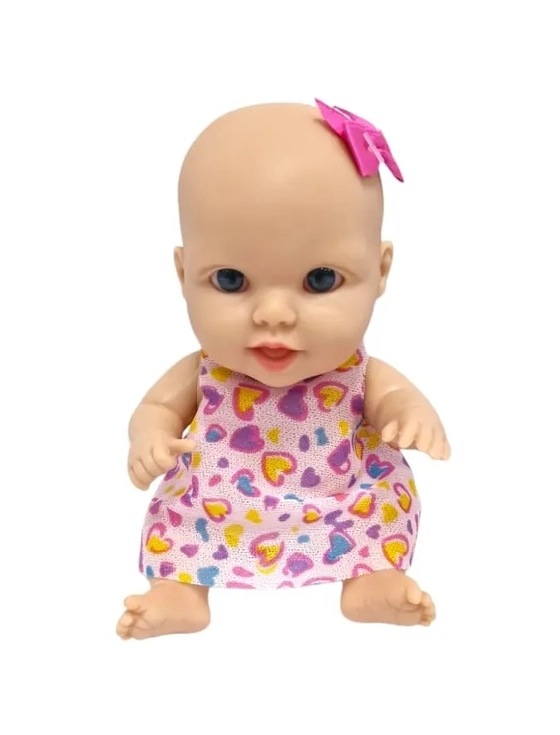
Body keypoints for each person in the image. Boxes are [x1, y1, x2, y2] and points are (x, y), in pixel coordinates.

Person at [116, 99, 450, 641]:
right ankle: (180, 591)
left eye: (320, 280)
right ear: (183, 274)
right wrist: (149, 437)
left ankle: (371, 577)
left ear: (380, 270)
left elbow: (394, 397)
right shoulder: (206, 371)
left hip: (341, 501)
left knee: (383, 502)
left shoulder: (356, 372)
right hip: (218, 507)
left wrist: (412, 414)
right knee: (177, 518)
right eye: (230, 280)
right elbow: (157, 406)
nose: (273, 313)